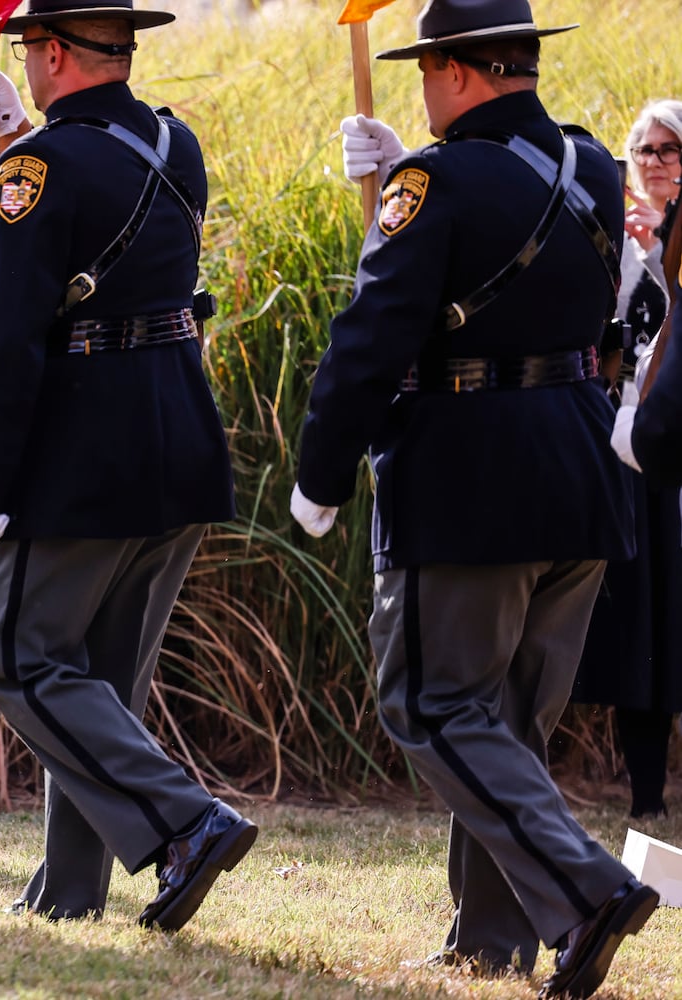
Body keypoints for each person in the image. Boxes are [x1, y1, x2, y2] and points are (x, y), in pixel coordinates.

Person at [293, 0, 657, 995]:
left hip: (466, 471)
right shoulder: (591, 164)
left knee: (433, 699)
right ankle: (489, 940)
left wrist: (316, 475)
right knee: (506, 721)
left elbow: (370, 340)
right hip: (578, 465)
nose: (419, 87)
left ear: (456, 72)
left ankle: (584, 889)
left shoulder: (431, 180)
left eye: (425, 70)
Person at [0, 0, 256, 932]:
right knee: (100, 682)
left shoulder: (40, 167)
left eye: (29, 50)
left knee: (18, 660)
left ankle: (186, 821)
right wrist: (6, 145)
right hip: (175, 433)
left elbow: (8, 337)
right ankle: (72, 885)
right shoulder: (178, 144)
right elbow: (101, 223)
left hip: (83, 447)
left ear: (51, 52)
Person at [573, 101, 682, 820]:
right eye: (643, 149)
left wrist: (661, 264)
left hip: (676, 452)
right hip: (624, 452)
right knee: (635, 622)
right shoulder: (610, 235)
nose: (654, 162)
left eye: (670, 150)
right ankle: (644, 797)